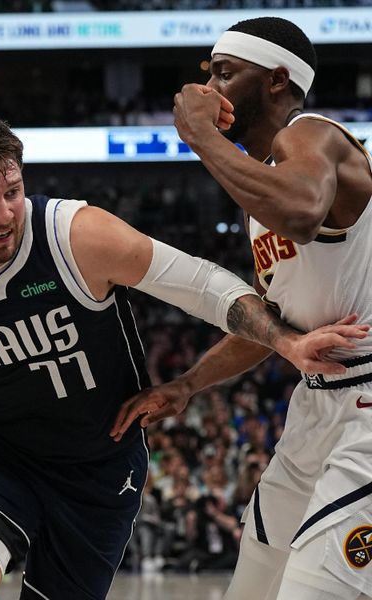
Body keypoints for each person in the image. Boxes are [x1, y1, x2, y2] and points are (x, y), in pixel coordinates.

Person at [0, 106, 367, 600]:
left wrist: (286, 342)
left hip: (100, 466)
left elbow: (205, 286)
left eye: (12, 192)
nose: (5, 213)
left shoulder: (77, 235)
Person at [111, 16, 372, 600]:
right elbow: (273, 322)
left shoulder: (313, 134)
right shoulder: (265, 192)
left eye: (226, 74)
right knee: (252, 585)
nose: (210, 90)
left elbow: (303, 212)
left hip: (367, 410)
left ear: (277, 81)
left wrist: (203, 137)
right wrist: (189, 384)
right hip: (315, 410)